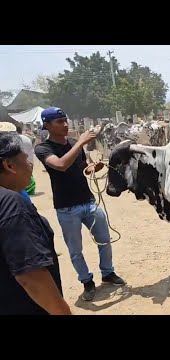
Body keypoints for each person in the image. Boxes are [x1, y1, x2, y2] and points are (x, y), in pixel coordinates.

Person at [34, 107, 126, 302]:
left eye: (65, 120)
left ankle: (108, 273)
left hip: (89, 201)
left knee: (105, 240)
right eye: (59, 122)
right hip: (66, 208)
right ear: (47, 125)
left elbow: (81, 166)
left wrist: (94, 166)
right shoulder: (43, 149)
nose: (65, 124)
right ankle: (87, 281)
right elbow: (60, 165)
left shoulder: (75, 143)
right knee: (76, 251)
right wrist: (82, 143)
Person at [0, 132, 72, 314]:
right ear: (9, 165)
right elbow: (30, 276)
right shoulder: (11, 204)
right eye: (26, 159)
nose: (31, 165)